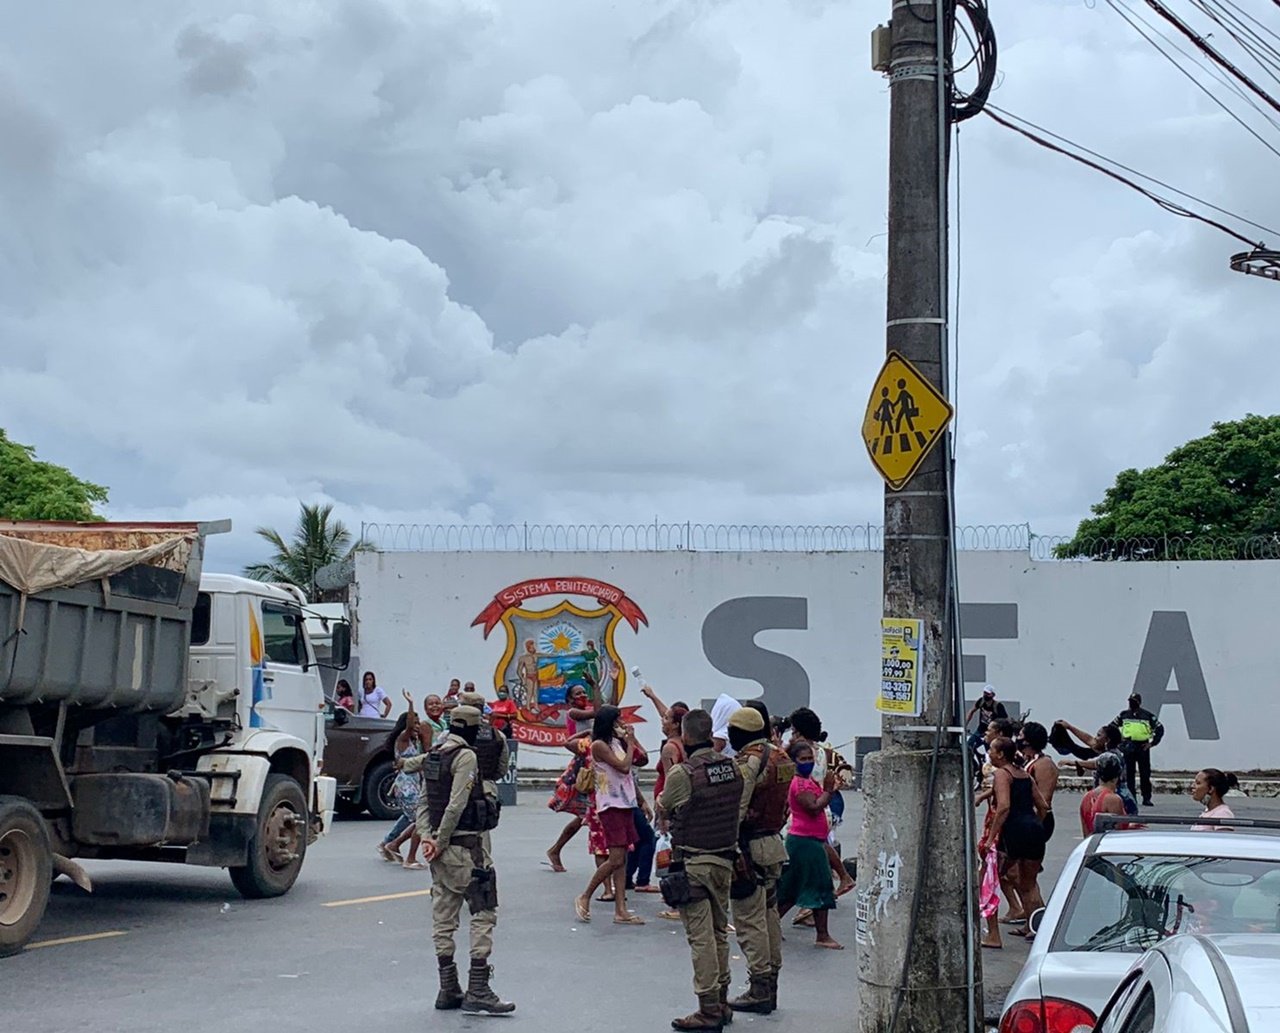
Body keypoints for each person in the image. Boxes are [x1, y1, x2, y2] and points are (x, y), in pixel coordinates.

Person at [400, 705, 513, 1015]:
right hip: (466, 847)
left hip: (440, 853)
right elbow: (456, 804)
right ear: (475, 730)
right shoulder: (467, 757)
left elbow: (424, 803)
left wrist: (427, 838)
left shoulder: (436, 754)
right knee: (483, 910)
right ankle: (478, 988)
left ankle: (448, 988)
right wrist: (440, 838)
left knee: (444, 916)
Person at [660, 708, 745, 1030]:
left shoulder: (684, 773)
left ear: (685, 736)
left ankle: (708, 1008)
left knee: (701, 938)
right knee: (719, 932)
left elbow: (665, 804)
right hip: (725, 860)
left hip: (694, 862)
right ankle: (721, 1001)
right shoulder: (732, 768)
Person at [727, 704, 792, 1015]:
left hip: (748, 847)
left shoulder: (749, 762)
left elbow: (738, 806)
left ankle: (759, 988)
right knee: (769, 918)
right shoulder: (781, 755)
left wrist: (728, 844)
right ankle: (772, 983)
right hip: (773, 844)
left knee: (749, 920)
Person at [574, 705, 643, 925]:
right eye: (617, 721)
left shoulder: (616, 742)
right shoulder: (599, 745)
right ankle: (585, 894)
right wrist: (630, 742)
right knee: (614, 858)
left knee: (621, 859)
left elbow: (637, 764)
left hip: (625, 802)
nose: (621, 724)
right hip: (610, 804)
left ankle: (621, 909)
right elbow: (623, 767)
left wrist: (629, 740)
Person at [981, 737, 1048, 944]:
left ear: (1001, 754)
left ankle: (993, 935)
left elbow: (1003, 807)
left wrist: (991, 838)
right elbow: (1043, 806)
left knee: (987, 879)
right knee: (1028, 884)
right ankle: (1037, 929)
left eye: (992, 750)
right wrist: (1033, 823)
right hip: (1034, 830)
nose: (989, 753)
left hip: (1013, 831)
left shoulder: (1002, 774)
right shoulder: (1025, 775)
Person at [776, 739, 841, 950]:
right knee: (821, 886)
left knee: (792, 887)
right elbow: (813, 807)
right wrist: (829, 791)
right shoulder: (800, 783)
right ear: (794, 762)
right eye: (803, 759)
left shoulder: (807, 780)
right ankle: (822, 935)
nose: (808, 762)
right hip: (806, 842)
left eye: (810, 758)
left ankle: (772, 925)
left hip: (809, 840)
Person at [378, 691, 428, 867]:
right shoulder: (403, 738)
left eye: (418, 722)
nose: (417, 726)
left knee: (411, 819)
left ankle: (390, 844)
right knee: (421, 820)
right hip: (406, 786)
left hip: (413, 784)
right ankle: (402, 851)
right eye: (414, 723)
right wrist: (411, 704)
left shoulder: (414, 742)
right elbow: (408, 726)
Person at [1054, 720, 1139, 815]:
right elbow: (1089, 740)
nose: (1095, 738)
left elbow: (1096, 764)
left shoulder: (1111, 756)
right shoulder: (1107, 750)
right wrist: (1069, 727)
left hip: (1117, 797)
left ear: (1107, 740)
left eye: (1099, 735)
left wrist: (1074, 763)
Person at [1111, 692, 1164, 807]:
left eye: (1133, 701)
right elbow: (1112, 728)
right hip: (1128, 747)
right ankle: (1131, 797)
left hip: (1142, 747)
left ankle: (1146, 798)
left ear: (1139, 702)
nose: (1131, 703)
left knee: (1145, 774)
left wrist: (1152, 743)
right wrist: (1119, 742)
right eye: (1130, 701)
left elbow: (1160, 729)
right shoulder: (1124, 715)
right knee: (1129, 774)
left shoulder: (1147, 715)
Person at [1079, 752, 1127, 836]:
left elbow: (1086, 831)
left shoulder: (1087, 797)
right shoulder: (1113, 799)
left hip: (1092, 844)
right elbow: (1119, 832)